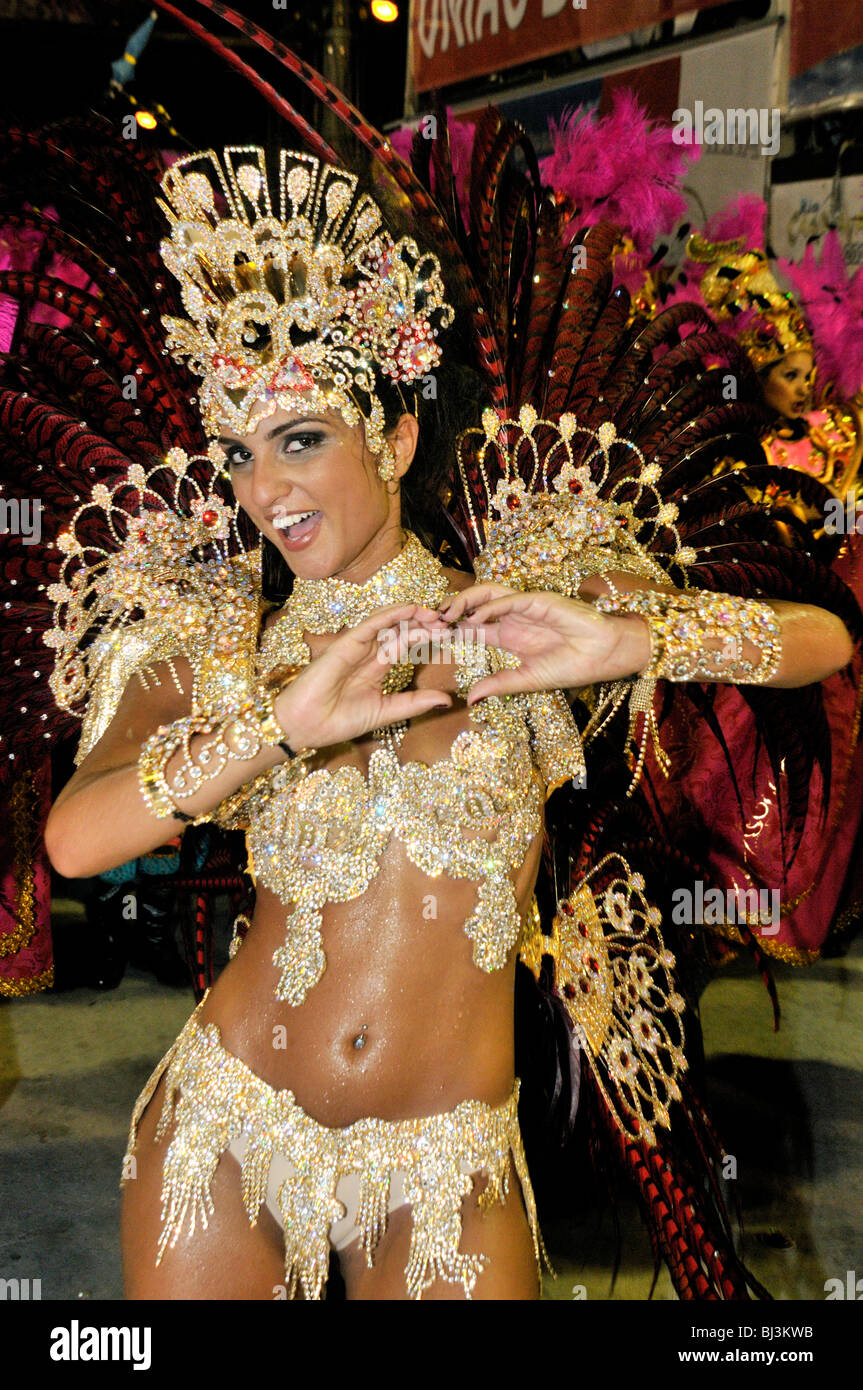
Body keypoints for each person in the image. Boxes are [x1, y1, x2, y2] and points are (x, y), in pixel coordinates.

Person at [38, 139, 854, 1303]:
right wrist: (281, 723)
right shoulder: (215, 639)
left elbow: (819, 642)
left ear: (398, 435)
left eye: (302, 438)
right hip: (225, 1134)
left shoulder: (524, 605)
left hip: (445, 1170)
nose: (267, 492)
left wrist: (634, 638)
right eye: (242, 453)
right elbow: (74, 838)